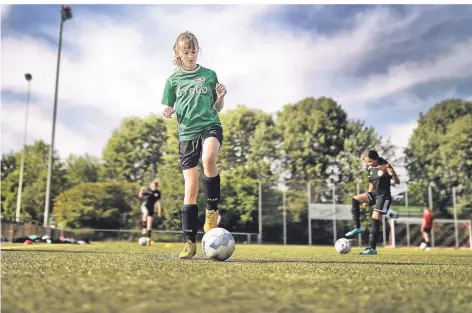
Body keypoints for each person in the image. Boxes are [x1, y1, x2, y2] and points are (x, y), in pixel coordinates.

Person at [161, 31, 227, 259]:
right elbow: (166, 106)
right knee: (190, 188)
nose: (190, 55)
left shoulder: (209, 74)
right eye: (185, 51)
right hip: (186, 134)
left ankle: (212, 210)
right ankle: (189, 242)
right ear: (178, 53)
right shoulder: (173, 80)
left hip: (210, 125)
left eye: (193, 51)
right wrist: (167, 110)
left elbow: (217, 108)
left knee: (209, 158)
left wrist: (220, 97)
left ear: (198, 50)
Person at [345, 150, 400, 255]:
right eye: (366, 162)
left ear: (376, 159)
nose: (368, 164)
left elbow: (397, 181)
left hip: (384, 196)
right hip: (374, 193)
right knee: (355, 199)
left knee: (375, 218)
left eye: (370, 161)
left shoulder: (385, 165)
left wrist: (393, 174)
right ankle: (357, 227)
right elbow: (372, 183)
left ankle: (372, 248)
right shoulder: (370, 168)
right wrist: (367, 198)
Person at [138, 180, 162, 245]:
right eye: (152, 185)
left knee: (150, 225)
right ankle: (143, 228)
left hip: (151, 209)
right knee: (145, 213)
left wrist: (159, 211)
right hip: (144, 206)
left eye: (154, 186)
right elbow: (140, 196)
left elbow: (158, 202)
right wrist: (141, 191)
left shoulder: (158, 192)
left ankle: (148, 241)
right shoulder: (148, 190)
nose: (153, 187)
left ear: (156, 186)